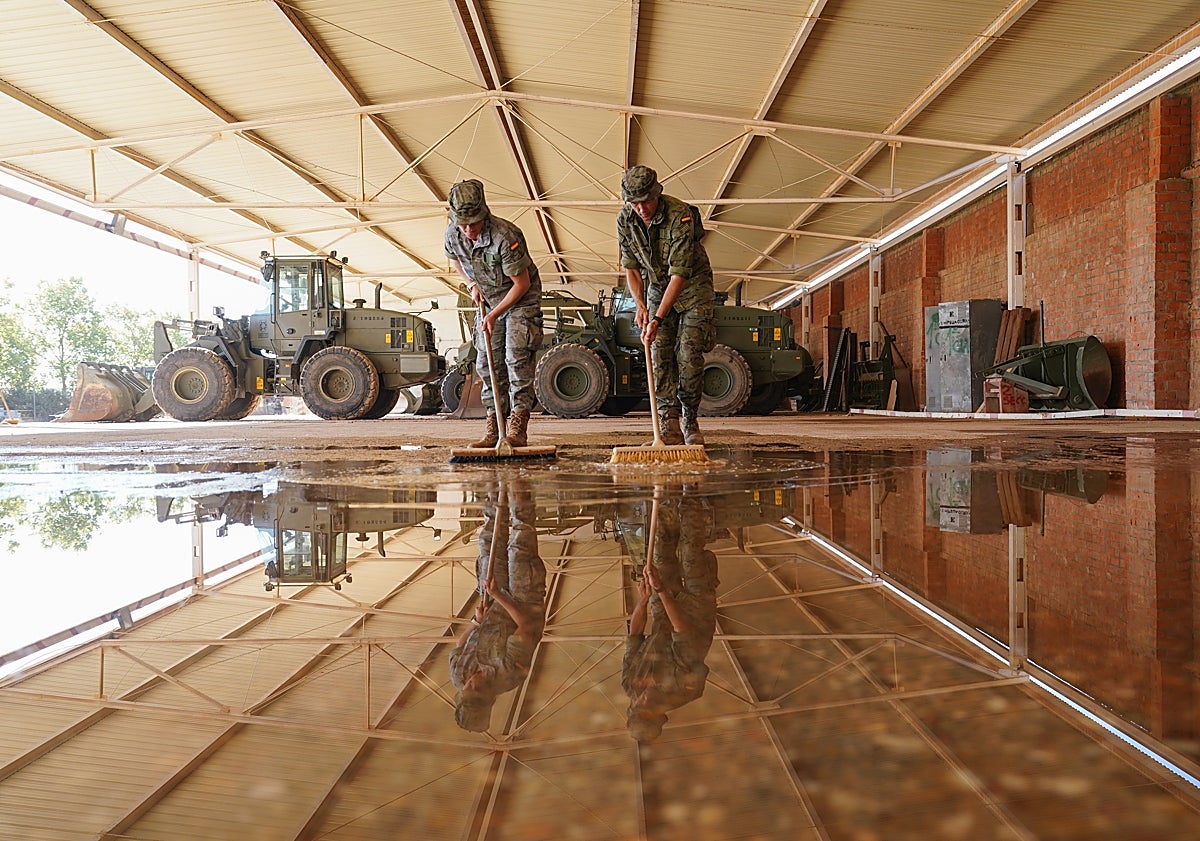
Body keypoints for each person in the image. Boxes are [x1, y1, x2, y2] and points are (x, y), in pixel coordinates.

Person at [617, 166, 716, 446]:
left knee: (687, 353)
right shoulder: (626, 220)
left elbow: (680, 274)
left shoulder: (679, 214)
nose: (641, 208)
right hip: (658, 287)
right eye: (634, 203)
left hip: (693, 287)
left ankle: (689, 418)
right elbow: (632, 268)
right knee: (657, 352)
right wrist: (640, 305)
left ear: (657, 194)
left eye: (646, 201)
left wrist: (657, 318)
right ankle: (668, 421)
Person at [445, 179, 544, 447]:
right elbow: (453, 257)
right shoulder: (454, 232)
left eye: (474, 223)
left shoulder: (505, 236)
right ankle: (494, 427)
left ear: (484, 212)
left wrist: (493, 314)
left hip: (520, 300)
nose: (468, 229)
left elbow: (521, 284)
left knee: (516, 357)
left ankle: (518, 427)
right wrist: (471, 283)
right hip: (488, 300)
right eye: (463, 223)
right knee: (486, 364)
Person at [620, 484, 719, 742]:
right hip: (697, 611)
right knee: (690, 549)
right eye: (644, 709)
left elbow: (634, 635)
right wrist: (660, 589)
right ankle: (692, 489)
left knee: (660, 550)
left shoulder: (630, 685)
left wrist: (643, 600)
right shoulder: (685, 689)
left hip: (663, 614)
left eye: (635, 707)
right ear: (657, 714)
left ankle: (667, 488)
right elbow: (682, 630)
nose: (639, 701)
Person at [449, 478, 546, 732]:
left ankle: (495, 483)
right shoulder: (509, 675)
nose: (468, 684)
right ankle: (519, 479)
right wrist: (501, 597)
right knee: (520, 544)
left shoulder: (459, 676)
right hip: (524, 600)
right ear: (486, 699)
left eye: (465, 690)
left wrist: (475, 622)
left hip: (490, 601)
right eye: (473, 690)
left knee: (488, 541)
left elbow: (459, 648)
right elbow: (527, 624)